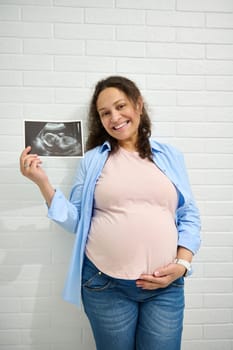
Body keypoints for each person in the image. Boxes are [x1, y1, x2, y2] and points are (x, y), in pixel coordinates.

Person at [20, 76, 201, 350]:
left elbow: (189, 215)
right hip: (106, 286)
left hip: (165, 288)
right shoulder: (93, 160)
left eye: (120, 106)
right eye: (105, 113)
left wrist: (182, 265)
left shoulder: (170, 156)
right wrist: (43, 183)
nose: (114, 117)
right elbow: (77, 221)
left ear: (138, 105)